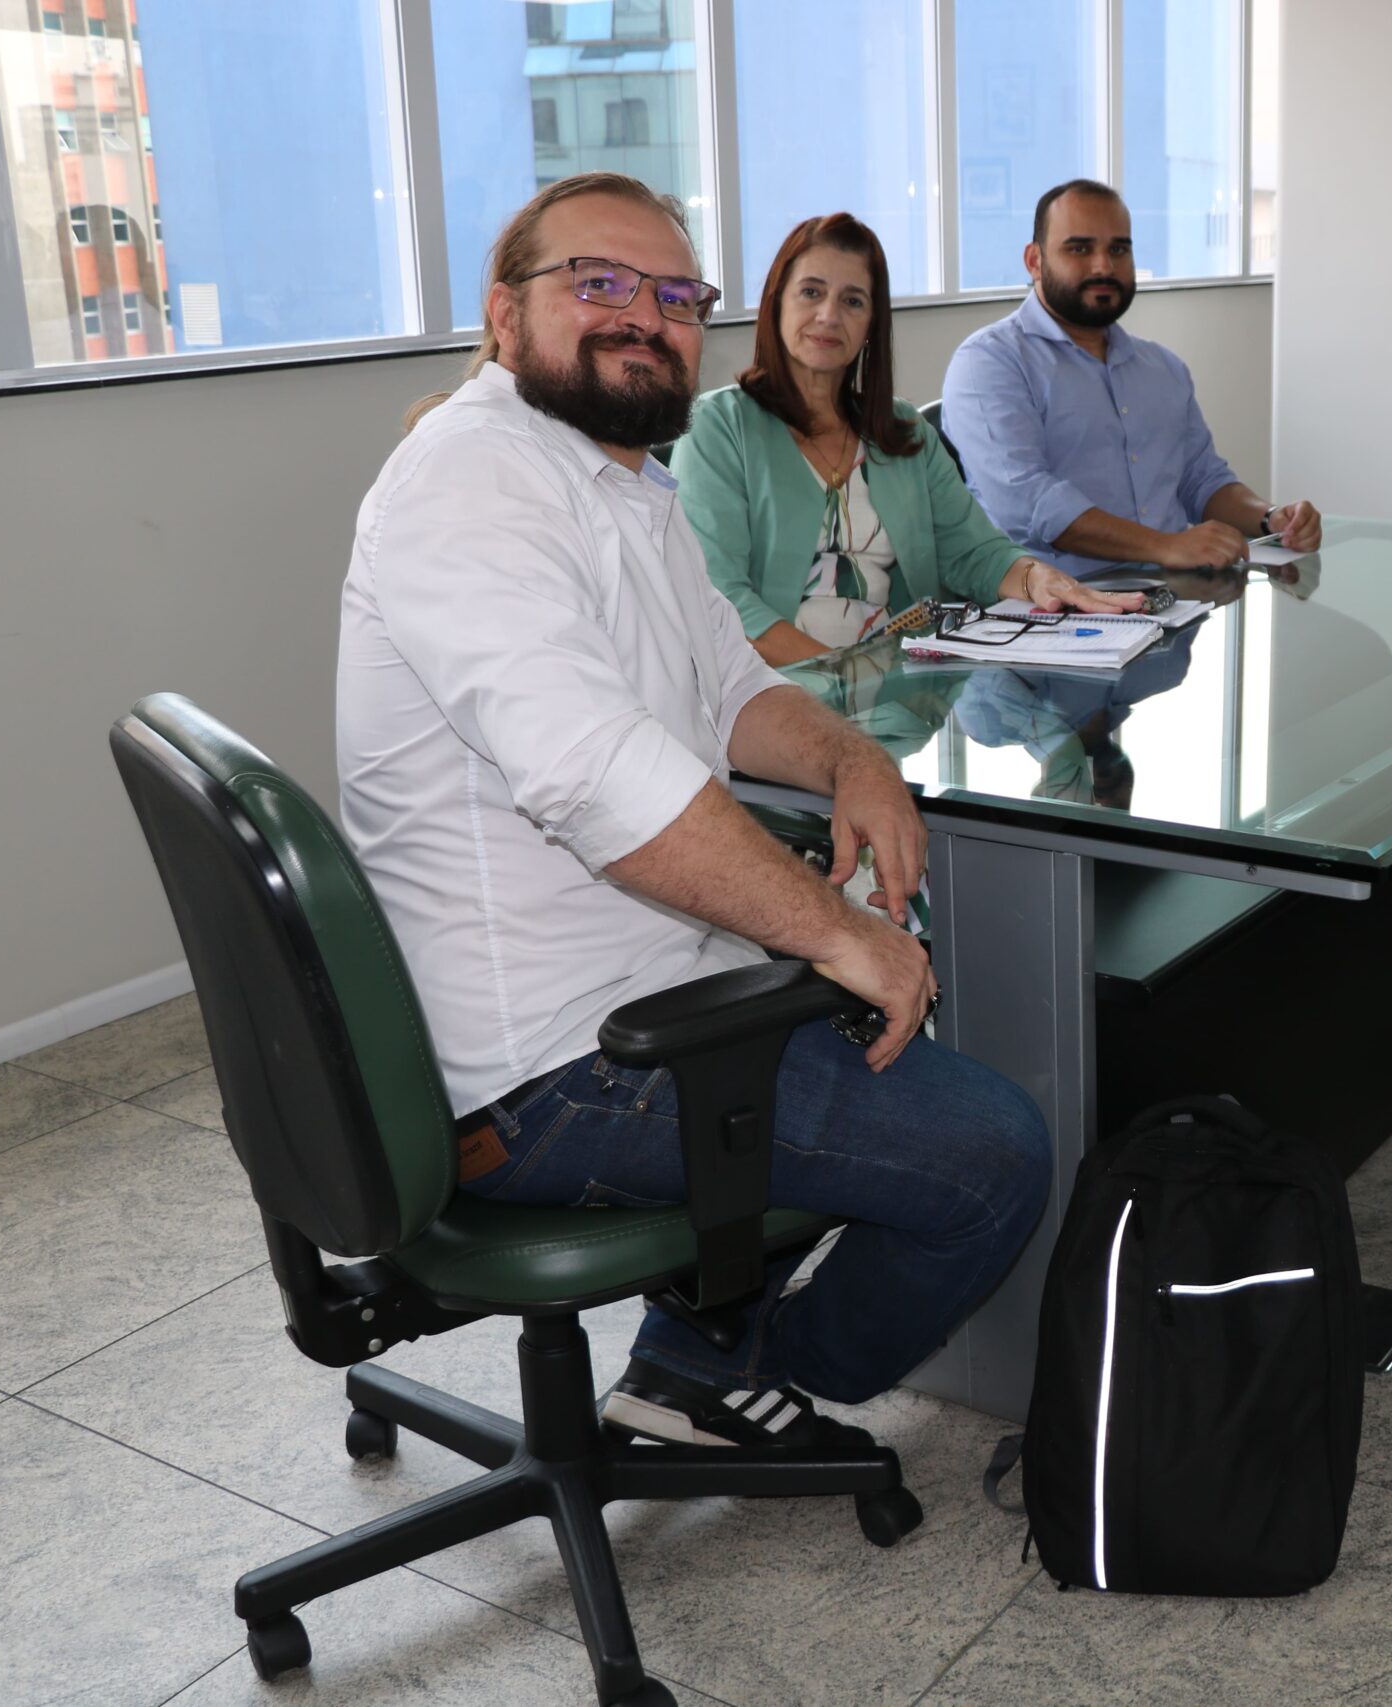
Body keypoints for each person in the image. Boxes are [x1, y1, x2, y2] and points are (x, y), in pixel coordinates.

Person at [341, 173, 1048, 1451]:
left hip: (635, 991)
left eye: (675, 296)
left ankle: (689, 1356)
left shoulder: (622, 481)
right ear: (504, 315)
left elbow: (730, 688)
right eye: (597, 283)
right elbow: (591, 770)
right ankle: (762, 1371)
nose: (644, 316)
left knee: (850, 1003)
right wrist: (835, 934)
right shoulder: (471, 484)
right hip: (552, 1076)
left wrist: (853, 763)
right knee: (990, 1151)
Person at [674, 213, 1138, 666]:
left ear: (872, 324)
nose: (829, 316)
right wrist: (836, 680)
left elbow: (972, 550)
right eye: (811, 292)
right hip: (773, 695)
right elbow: (719, 598)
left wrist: (1039, 578)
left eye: (853, 301)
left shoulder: (902, 429)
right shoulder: (719, 426)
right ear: (776, 303)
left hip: (899, 697)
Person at [940, 178, 1321, 575]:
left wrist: (1271, 518)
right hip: (1052, 614)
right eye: (1080, 248)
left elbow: (1202, 480)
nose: (1104, 265)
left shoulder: (1164, 367)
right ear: (1034, 260)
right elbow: (1027, 504)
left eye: (1118, 249)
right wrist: (1166, 547)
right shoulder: (989, 363)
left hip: (1178, 599)